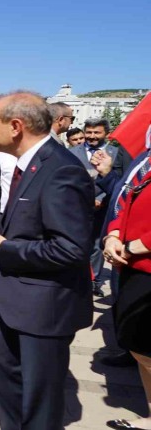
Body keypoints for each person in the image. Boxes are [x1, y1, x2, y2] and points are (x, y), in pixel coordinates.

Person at [0, 92, 93, 430]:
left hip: (45, 309)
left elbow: (71, 249)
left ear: (16, 126)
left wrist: (4, 250)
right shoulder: (31, 165)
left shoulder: (61, 170)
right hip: (16, 303)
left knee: (40, 402)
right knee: (7, 384)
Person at [103, 146, 151, 430]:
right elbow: (127, 201)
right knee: (141, 347)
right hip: (133, 267)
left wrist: (132, 248)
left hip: (141, 263)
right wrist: (113, 234)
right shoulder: (146, 163)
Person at [69, 118, 132, 297]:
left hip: (103, 207)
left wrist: (102, 199)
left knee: (97, 244)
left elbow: (120, 179)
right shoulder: (72, 153)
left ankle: (94, 280)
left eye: (97, 132)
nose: (92, 136)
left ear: (106, 133)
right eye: (88, 132)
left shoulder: (116, 152)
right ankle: (75, 277)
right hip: (78, 207)